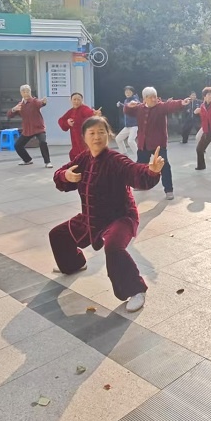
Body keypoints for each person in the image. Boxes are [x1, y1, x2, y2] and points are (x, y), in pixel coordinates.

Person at [50, 117, 164, 313]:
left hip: (120, 217)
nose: (97, 137)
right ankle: (74, 264)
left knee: (113, 247)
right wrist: (65, 175)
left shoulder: (115, 159)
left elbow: (134, 171)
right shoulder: (83, 159)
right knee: (58, 235)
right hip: (91, 217)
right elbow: (62, 173)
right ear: (84, 137)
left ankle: (136, 290)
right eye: (92, 133)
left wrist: (151, 171)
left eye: (101, 132)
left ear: (108, 135)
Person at [123, 87, 189, 200]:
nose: (154, 99)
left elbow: (170, 105)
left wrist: (181, 103)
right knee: (140, 166)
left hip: (159, 143)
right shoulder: (139, 108)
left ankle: (168, 190)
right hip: (143, 143)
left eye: (155, 96)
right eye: (151, 97)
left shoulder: (160, 107)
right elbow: (127, 111)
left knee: (164, 166)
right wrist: (128, 106)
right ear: (144, 99)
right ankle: (141, 185)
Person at [7, 85, 52, 168]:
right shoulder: (20, 105)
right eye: (24, 92)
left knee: (43, 142)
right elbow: (9, 115)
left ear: (30, 92)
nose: (26, 93)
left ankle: (47, 162)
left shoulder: (34, 101)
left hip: (39, 128)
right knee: (17, 145)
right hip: (27, 130)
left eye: (28, 91)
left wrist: (43, 102)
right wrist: (13, 109)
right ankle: (27, 160)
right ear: (21, 93)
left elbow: (40, 103)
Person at [57, 93, 100, 160]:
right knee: (75, 155)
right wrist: (67, 123)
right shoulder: (70, 111)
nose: (76, 101)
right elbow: (61, 120)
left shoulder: (84, 109)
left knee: (86, 154)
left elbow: (89, 113)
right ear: (71, 100)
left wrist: (94, 113)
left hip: (84, 138)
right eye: (74, 99)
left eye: (78, 99)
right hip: (75, 140)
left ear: (82, 100)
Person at [115, 86, 140, 154]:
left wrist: (135, 103)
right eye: (126, 92)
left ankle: (140, 156)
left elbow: (137, 104)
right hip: (128, 126)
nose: (127, 93)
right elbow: (127, 106)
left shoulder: (135, 99)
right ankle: (124, 154)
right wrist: (121, 105)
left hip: (135, 125)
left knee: (130, 141)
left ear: (132, 93)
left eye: (129, 92)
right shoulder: (126, 100)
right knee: (118, 139)